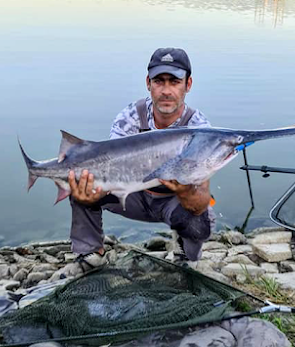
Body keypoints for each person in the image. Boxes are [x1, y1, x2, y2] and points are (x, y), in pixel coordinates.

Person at [63, 48, 215, 276]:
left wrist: (186, 193)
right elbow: (109, 167)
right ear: (148, 83)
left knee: (200, 219)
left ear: (188, 84)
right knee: (80, 186)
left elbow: (202, 198)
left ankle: (185, 252)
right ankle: (90, 253)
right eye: (159, 81)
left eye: (174, 82)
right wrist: (92, 192)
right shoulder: (130, 117)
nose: (166, 91)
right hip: (131, 195)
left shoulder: (200, 130)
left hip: (171, 202)